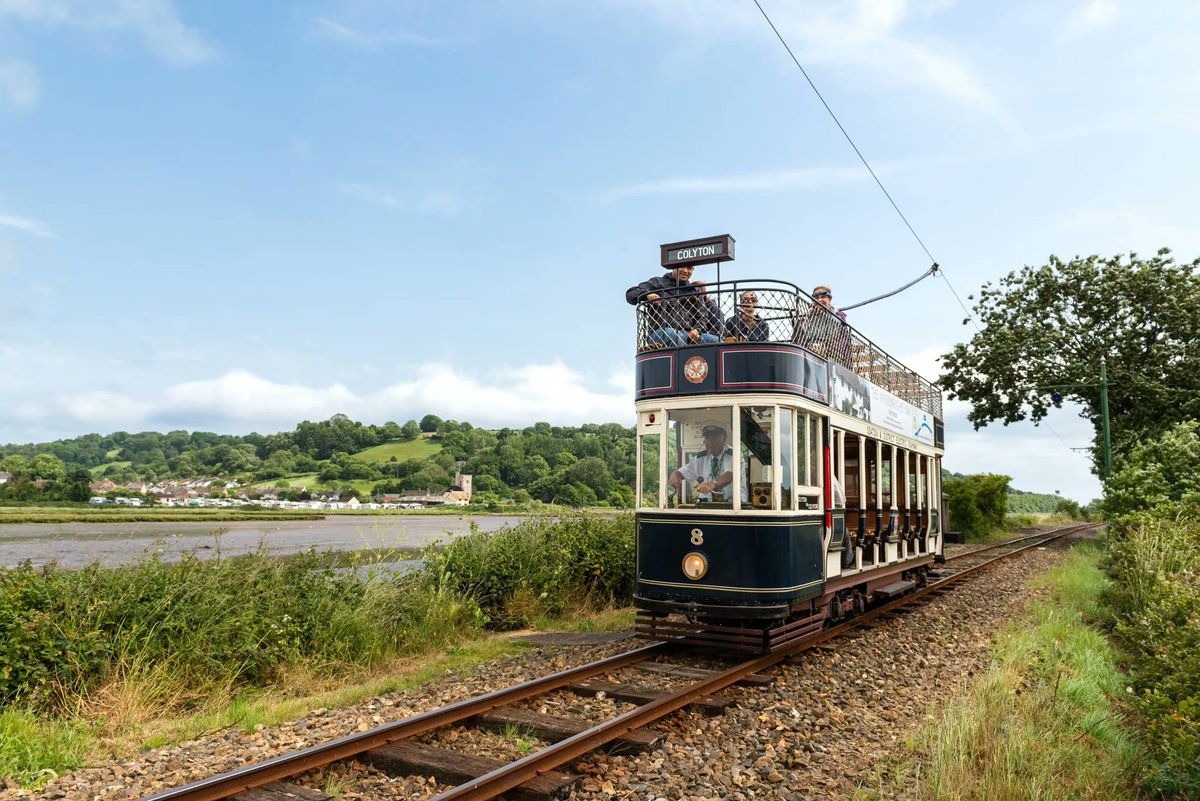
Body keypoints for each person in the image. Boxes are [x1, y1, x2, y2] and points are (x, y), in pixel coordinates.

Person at [626, 265, 722, 346]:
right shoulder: (657, 283)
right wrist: (647, 295)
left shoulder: (695, 291)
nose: (685, 271)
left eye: (689, 268)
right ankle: (685, 366)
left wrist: (697, 330)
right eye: (682, 267)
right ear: (673, 267)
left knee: (719, 343)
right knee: (676, 338)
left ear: (692, 270)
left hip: (687, 334)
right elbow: (630, 294)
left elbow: (702, 317)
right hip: (661, 332)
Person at [668, 424, 744, 503]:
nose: (710, 441)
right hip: (706, 505)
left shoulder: (734, 455)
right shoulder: (700, 458)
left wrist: (712, 484)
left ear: (724, 438)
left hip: (733, 505)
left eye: (714, 438)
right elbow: (683, 472)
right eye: (707, 438)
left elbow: (729, 476)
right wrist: (676, 475)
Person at [796, 285, 851, 365]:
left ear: (829, 300)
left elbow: (844, 344)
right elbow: (798, 341)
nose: (819, 300)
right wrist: (810, 349)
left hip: (833, 363)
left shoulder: (839, 320)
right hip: (810, 361)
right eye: (816, 298)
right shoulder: (804, 321)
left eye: (823, 297)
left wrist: (828, 350)